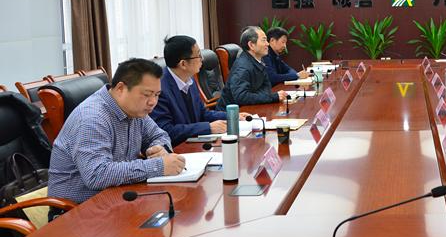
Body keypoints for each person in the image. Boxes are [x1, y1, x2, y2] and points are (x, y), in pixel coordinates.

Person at [48, 59, 186, 204]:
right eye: (147, 94)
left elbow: (159, 135)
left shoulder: (135, 111)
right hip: (77, 210)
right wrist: (158, 166)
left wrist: (159, 149)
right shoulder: (92, 118)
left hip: (118, 197)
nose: (153, 102)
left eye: (157, 94)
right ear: (120, 88)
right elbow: (97, 175)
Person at [150, 35, 244, 146]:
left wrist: (232, 116)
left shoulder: (189, 80)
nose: (202, 59)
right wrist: (208, 127)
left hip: (194, 143)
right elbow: (167, 131)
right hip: (177, 149)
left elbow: (202, 113)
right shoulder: (159, 89)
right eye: (198, 55)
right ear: (183, 64)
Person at [217, 26, 287, 110]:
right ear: (251, 45)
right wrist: (272, 97)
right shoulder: (242, 67)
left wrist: (261, 96)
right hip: (230, 114)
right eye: (264, 40)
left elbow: (266, 88)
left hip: (251, 108)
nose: (267, 44)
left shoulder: (258, 61)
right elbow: (241, 97)